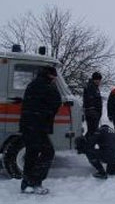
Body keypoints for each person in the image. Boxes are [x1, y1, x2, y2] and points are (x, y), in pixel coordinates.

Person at [19, 66, 62, 195]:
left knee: (32, 154)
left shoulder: (33, 84)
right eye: (54, 77)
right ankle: (35, 181)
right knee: (48, 152)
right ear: (49, 75)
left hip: (29, 125)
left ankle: (27, 184)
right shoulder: (46, 86)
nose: (55, 79)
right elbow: (56, 101)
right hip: (37, 126)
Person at [83, 72, 103, 137]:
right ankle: (87, 144)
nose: (99, 81)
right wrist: (94, 110)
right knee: (92, 131)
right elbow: (90, 100)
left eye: (99, 80)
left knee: (92, 130)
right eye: (97, 80)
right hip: (92, 112)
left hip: (95, 112)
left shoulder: (95, 87)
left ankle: (87, 144)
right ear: (94, 79)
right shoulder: (90, 87)